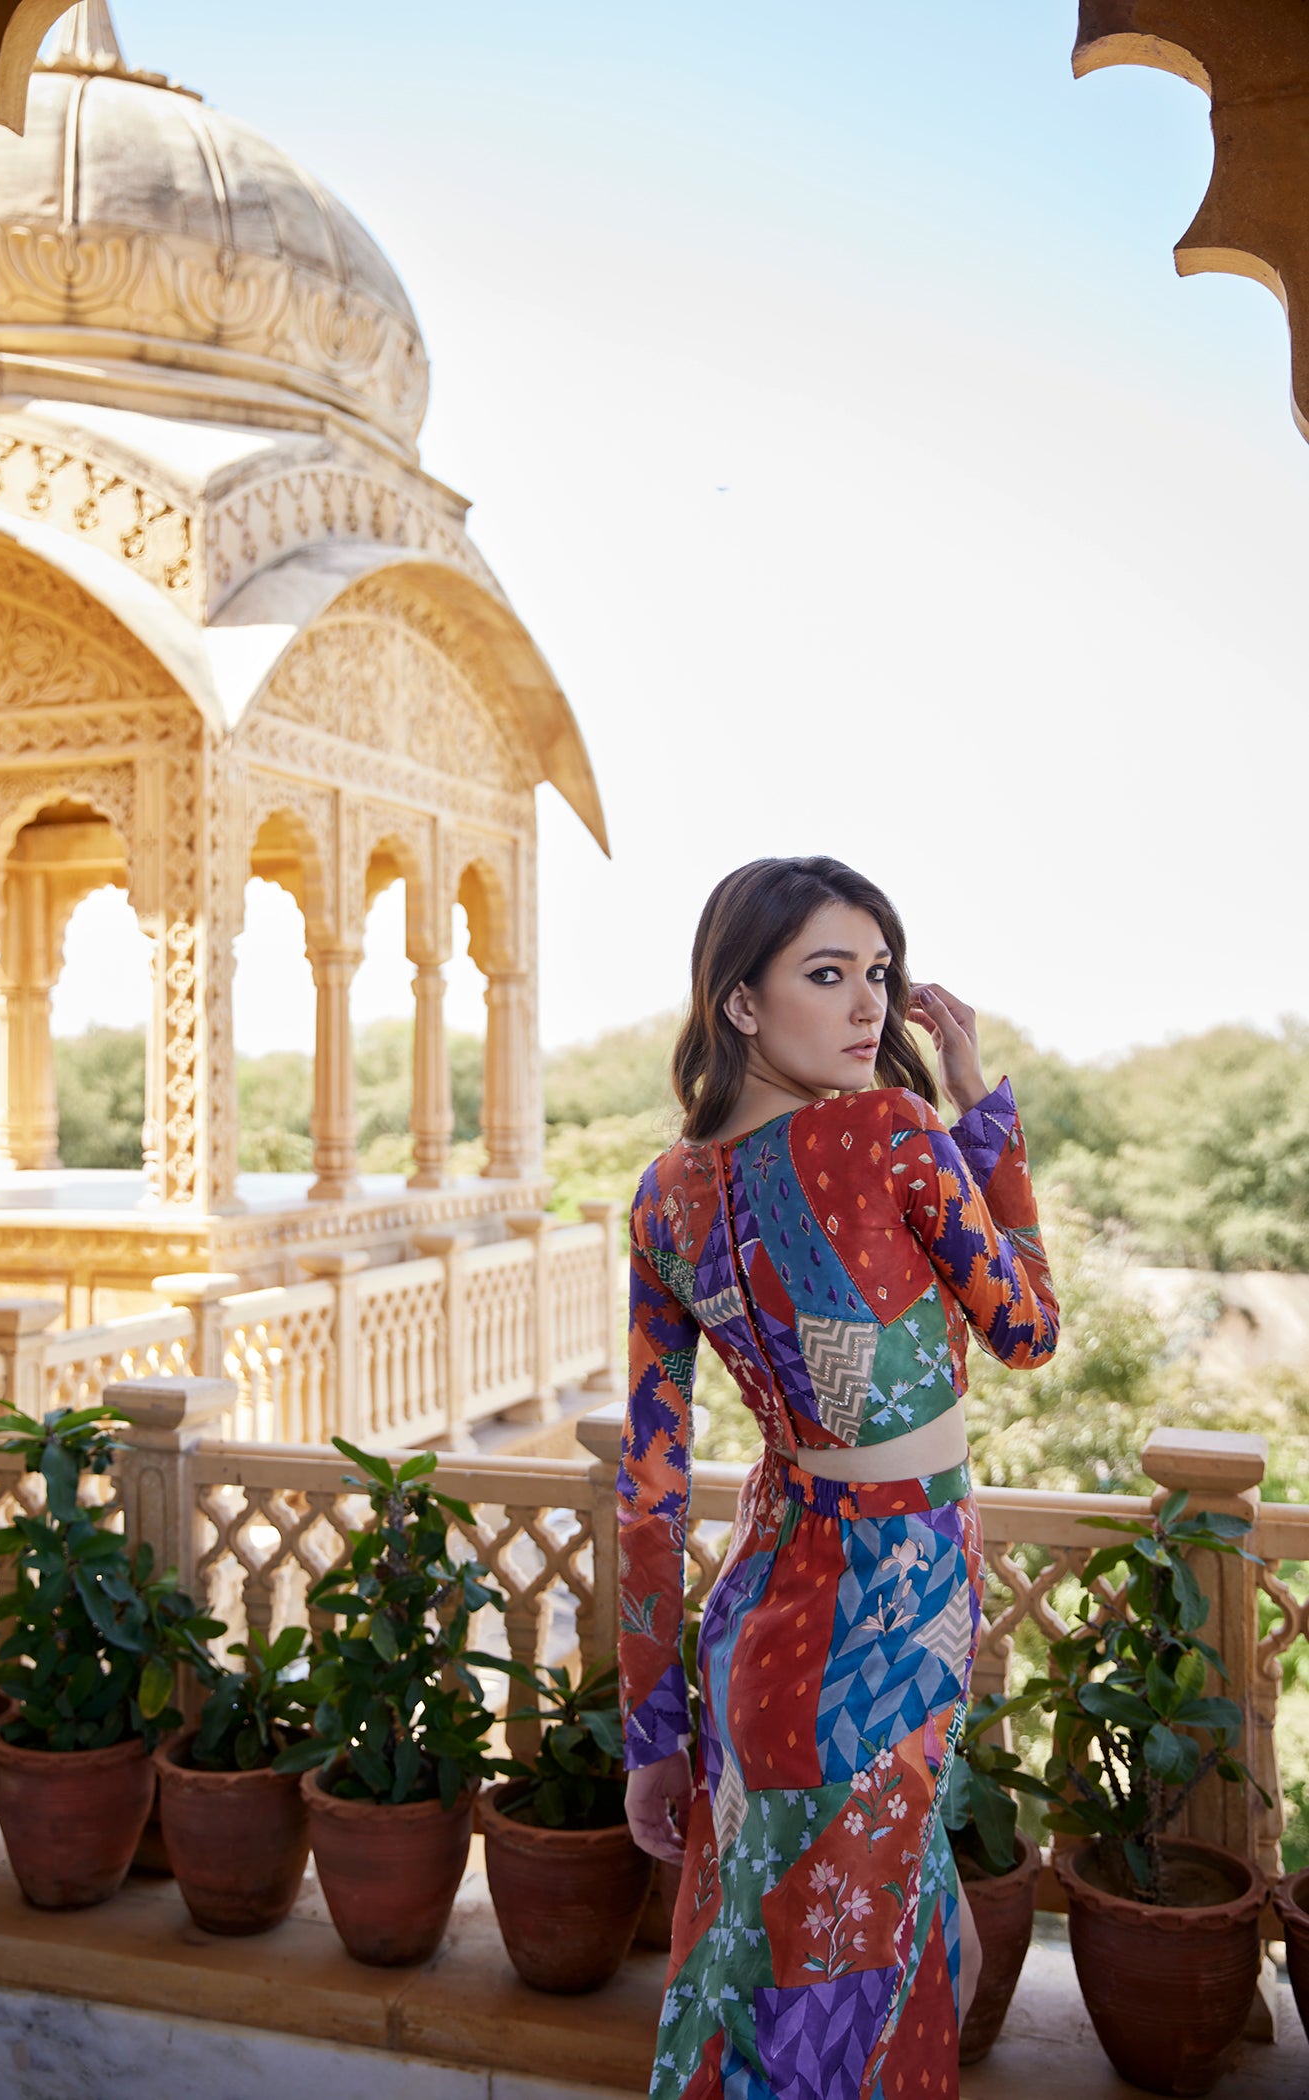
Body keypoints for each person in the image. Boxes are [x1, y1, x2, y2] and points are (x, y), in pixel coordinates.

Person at [618, 856, 1059, 2100]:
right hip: (889, 1608)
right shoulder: (889, 1131)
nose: (869, 1005)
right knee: (844, 2010)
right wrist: (983, 1108)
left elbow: (650, 1485)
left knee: (816, 1975)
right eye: (827, 974)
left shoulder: (663, 1196)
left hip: (765, 1611)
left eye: (878, 973)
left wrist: (653, 1731)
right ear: (740, 1004)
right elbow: (1027, 1328)